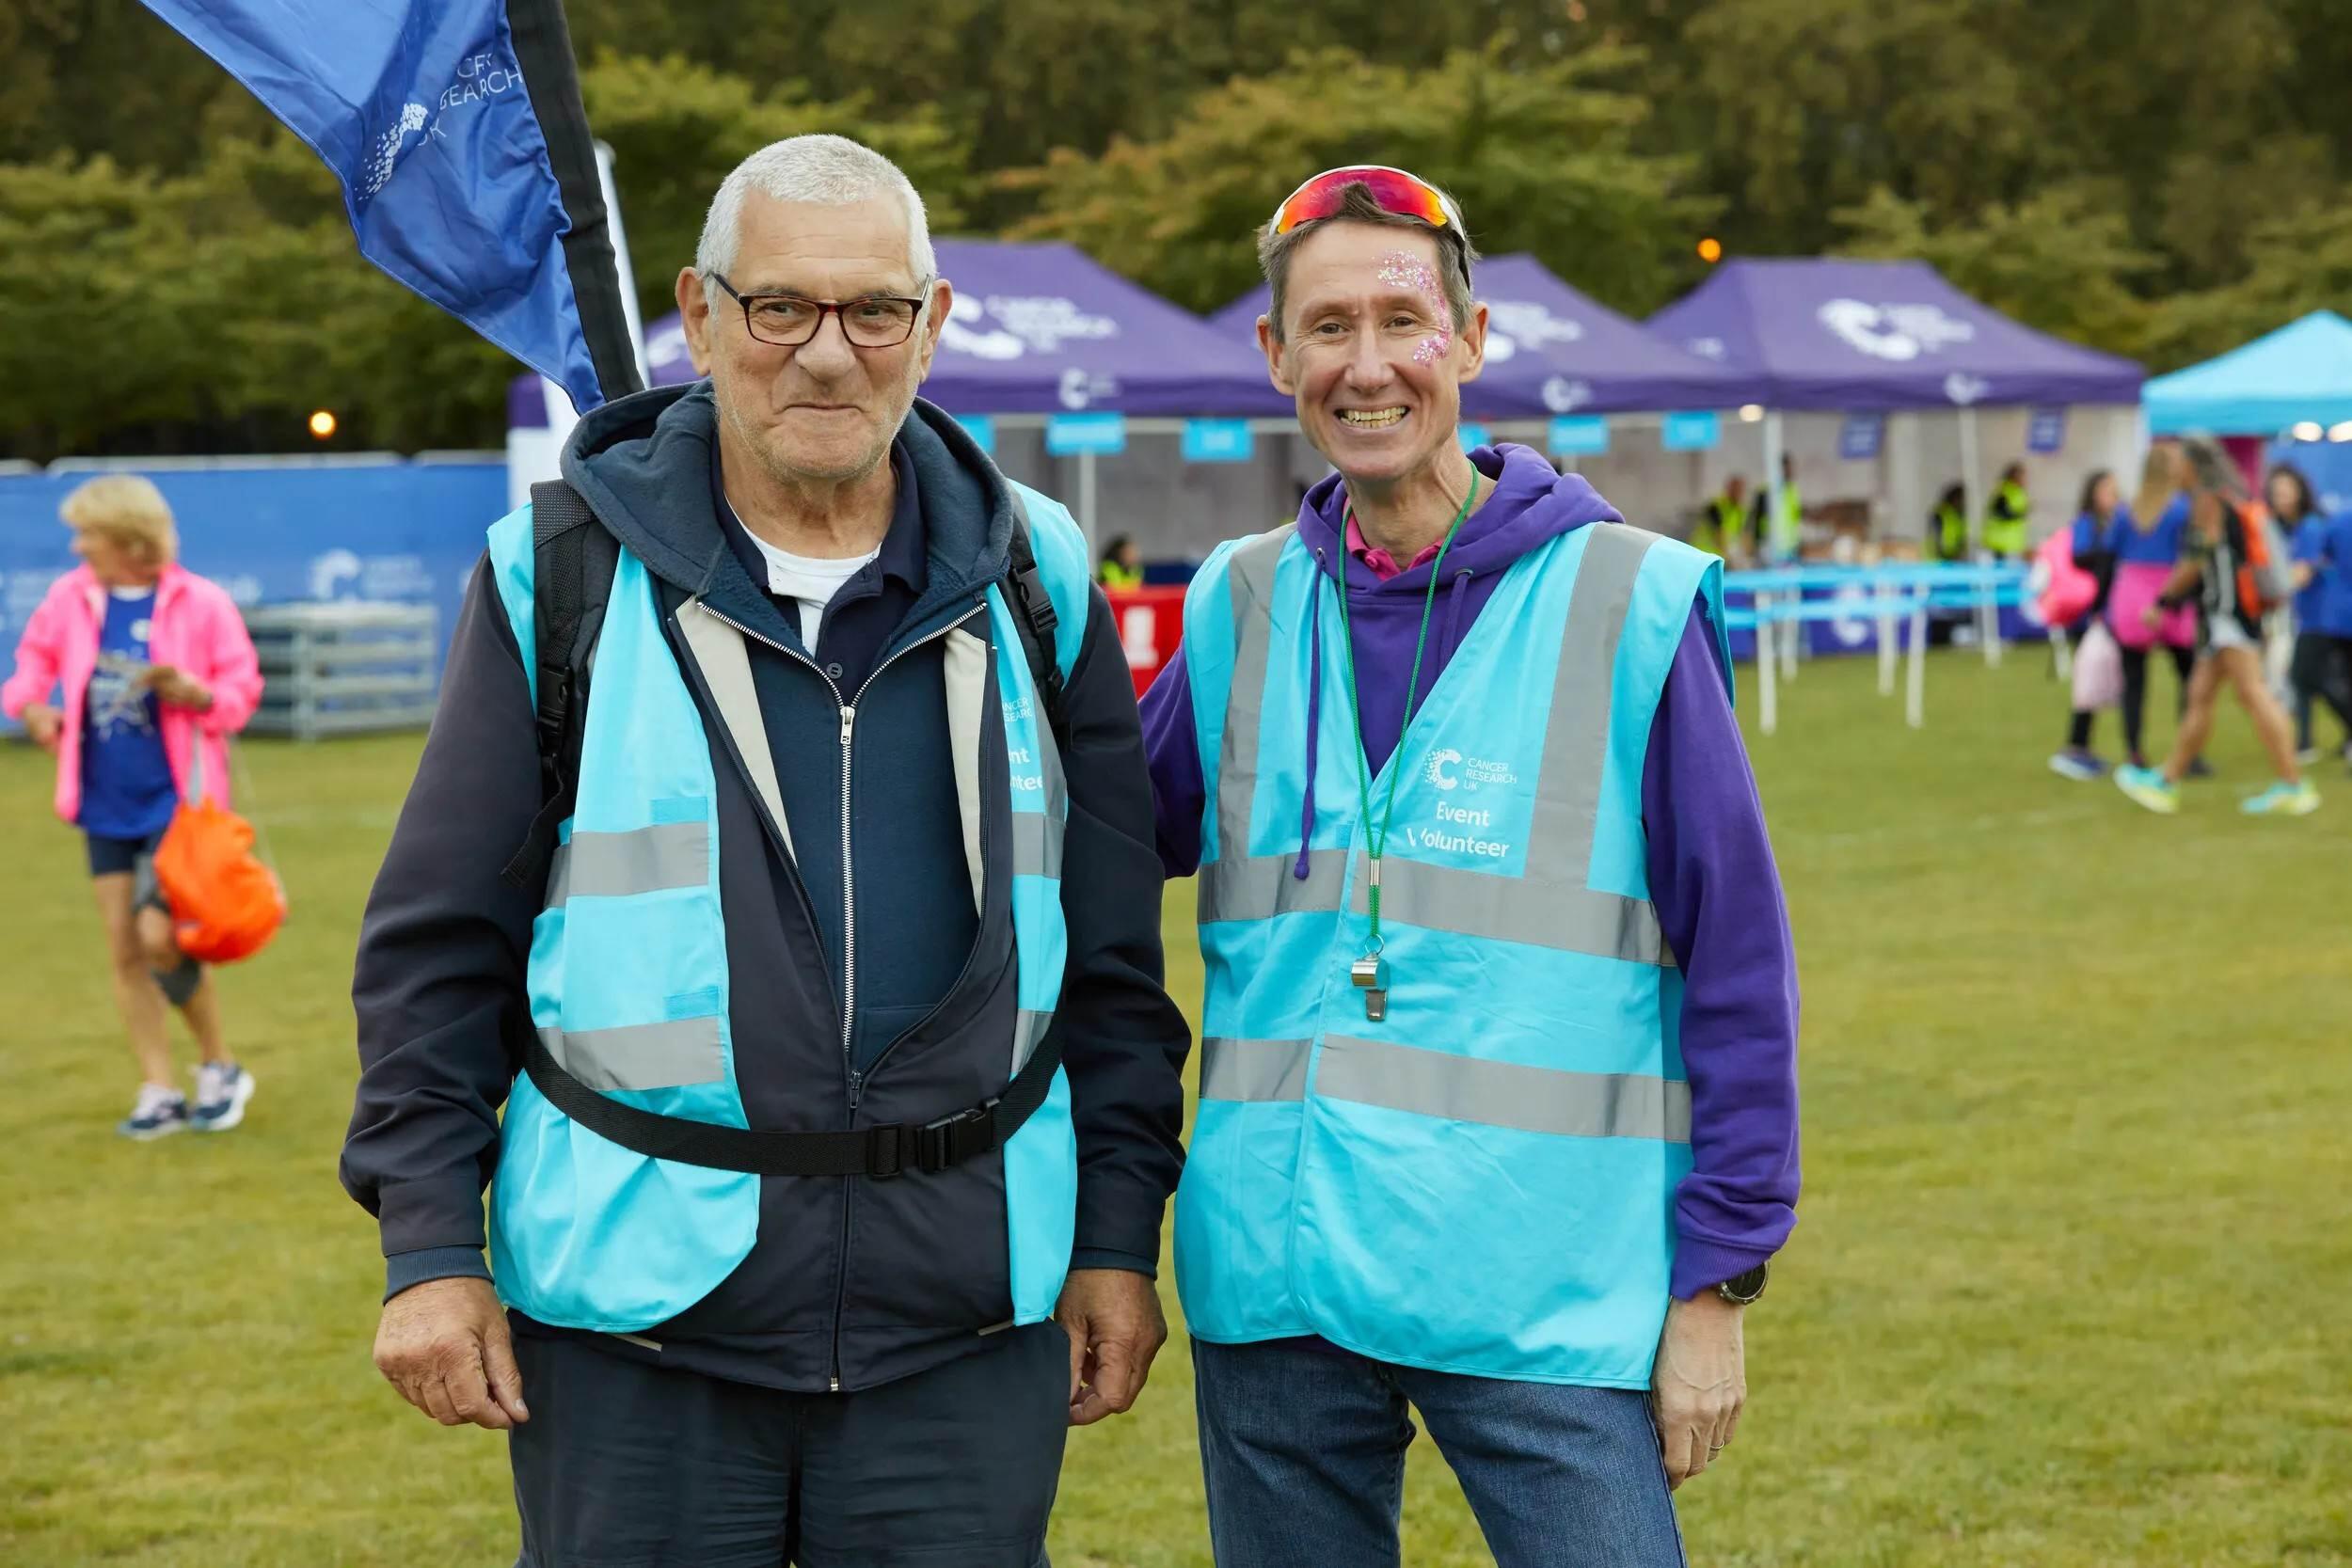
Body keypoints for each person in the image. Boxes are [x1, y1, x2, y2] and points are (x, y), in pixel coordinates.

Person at [340, 135, 1190, 1565]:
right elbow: (436, 950)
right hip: (639, 1328)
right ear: (703, 311)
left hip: (963, 1322)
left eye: (872, 311)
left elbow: (1110, 959)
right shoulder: (560, 571)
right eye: (781, 306)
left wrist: (1115, 1234)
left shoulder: (1036, 574)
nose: (827, 355)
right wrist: (430, 1247)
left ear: (932, 323)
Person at [1137, 164, 1802, 1566]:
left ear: (1474, 337)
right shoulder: (1238, 605)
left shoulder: (1628, 599)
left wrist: (1719, 1282)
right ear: (1274, 355)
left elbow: (1737, 956)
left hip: (1543, 1288)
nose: (1366, 364)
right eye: (1326, 327)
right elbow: (1084, 865)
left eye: (1402, 319)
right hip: (1279, 1281)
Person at [3, 476, 262, 1139]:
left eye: (88, 532)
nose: (77, 543)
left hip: (180, 803)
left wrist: (193, 690)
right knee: (125, 950)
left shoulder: (199, 601)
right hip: (101, 800)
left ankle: (220, 1065)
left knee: (159, 937)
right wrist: (32, 706)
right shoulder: (70, 597)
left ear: (127, 539)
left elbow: (240, 690)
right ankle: (159, 1087)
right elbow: (32, 661)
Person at [2115, 438, 2319, 816]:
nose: (2173, 471)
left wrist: (2163, 602)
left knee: (2254, 696)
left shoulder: (2207, 501)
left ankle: (2294, 784)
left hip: (2228, 615)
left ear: (2194, 464)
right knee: (2201, 696)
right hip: (2224, 616)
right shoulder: (2228, 496)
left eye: (2179, 463)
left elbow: (2195, 560)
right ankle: (2167, 781)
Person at [2107, 446, 2204, 774]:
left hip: (2131, 593)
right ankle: (2188, 754)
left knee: (2133, 682)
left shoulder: (2126, 512)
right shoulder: (2182, 510)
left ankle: (2134, 752)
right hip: (2169, 590)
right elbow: (2192, 559)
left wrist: (2099, 609)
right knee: (2189, 679)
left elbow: (2108, 558)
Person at [2274, 464, 2352, 762]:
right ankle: (2306, 742)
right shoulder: (2300, 528)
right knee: (2309, 678)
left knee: (2311, 677)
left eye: (2285, 492)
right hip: (2313, 615)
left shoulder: (2311, 527)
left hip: (2322, 616)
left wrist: (2271, 586)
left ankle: (2311, 741)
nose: (2280, 498)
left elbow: (2304, 573)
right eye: (2276, 492)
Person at [2049, 469, 2122, 779]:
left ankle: (2083, 747)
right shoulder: (2086, 524)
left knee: (2101, 683)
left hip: (2109, 612)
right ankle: (2075, 747)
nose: (2113, 495)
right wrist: (2110, 552)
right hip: (2086, 614)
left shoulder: (2116, 522)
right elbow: (2079, 557)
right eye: (2107, 489)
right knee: (2088, 683)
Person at [1691, 475, 1749, 562]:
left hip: (1718, 555)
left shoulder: (1740, 510)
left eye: (1741, 490)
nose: (1739, 493)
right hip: (1703, 553)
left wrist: (1744, 556)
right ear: (1728, 489)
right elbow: (1718, 535)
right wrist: (1731, 558)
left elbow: (1743, 535)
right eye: (1736, 489)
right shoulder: (1715, 506)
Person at [1758, 451, 1802, 562]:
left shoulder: (1792, 490)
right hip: (1772, 548)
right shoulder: (1766, 491)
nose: (1790, 471)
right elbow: (1759, 522)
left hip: (1790, 549)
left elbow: (1795, 519)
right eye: (1787, 467)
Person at [1983, 461, 2030, 561]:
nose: (2025, 480)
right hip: (1999, 545)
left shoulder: (2017, 492)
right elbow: (2001, 513)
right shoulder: (2004, 492)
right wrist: (2021, 513)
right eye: (2022, 476)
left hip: (2010, 545)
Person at [1931, 482, 1968, 562]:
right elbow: (1935, 538)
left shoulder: (1959, 515)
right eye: (1960, 498)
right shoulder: (1941, 513)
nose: (1962, 502)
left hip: (1955, 559)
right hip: (1941, 559)